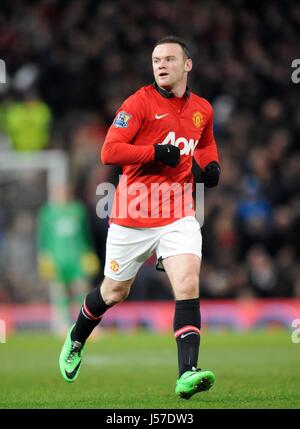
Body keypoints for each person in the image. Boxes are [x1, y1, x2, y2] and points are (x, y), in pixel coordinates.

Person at [59, 35, 221, 399]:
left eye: (168, 58)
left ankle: (187, 373)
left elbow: (206, 141)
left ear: (187, 64)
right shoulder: (138, 103)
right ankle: (77, 336)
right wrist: (152, 153)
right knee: (114, 291)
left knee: (188, 284)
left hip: (179, 210)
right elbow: (109, 150)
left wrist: (210, 167)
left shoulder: (203, 109)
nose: (161, 64)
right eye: (155, 60)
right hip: (133, 213)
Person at [37, 184, 100, 336]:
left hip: (77, 258)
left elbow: (86, 234)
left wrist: (89, 252)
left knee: (82, 291)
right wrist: (43, 257)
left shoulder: (78, 210)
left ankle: (86, 325)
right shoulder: (47, 213)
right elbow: (42, 238)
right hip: (57, 260)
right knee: (60, 293)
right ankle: (62, 324)